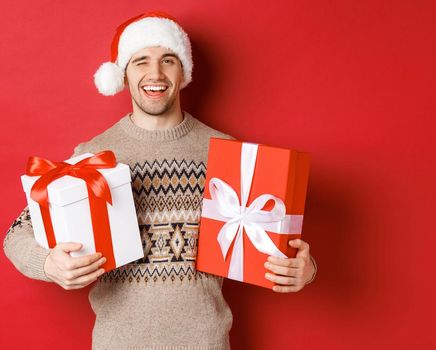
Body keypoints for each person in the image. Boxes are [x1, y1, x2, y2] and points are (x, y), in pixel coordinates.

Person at [3, 11, 317, 349]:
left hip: (205, 343)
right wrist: (49, 264)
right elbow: (16, 234)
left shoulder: (227, 152)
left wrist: (306, 269)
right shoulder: (93, 154)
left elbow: (275, 246)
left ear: (183, 70)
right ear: (123, 73)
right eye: (141, 61)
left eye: (168, 60)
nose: (155, 73)